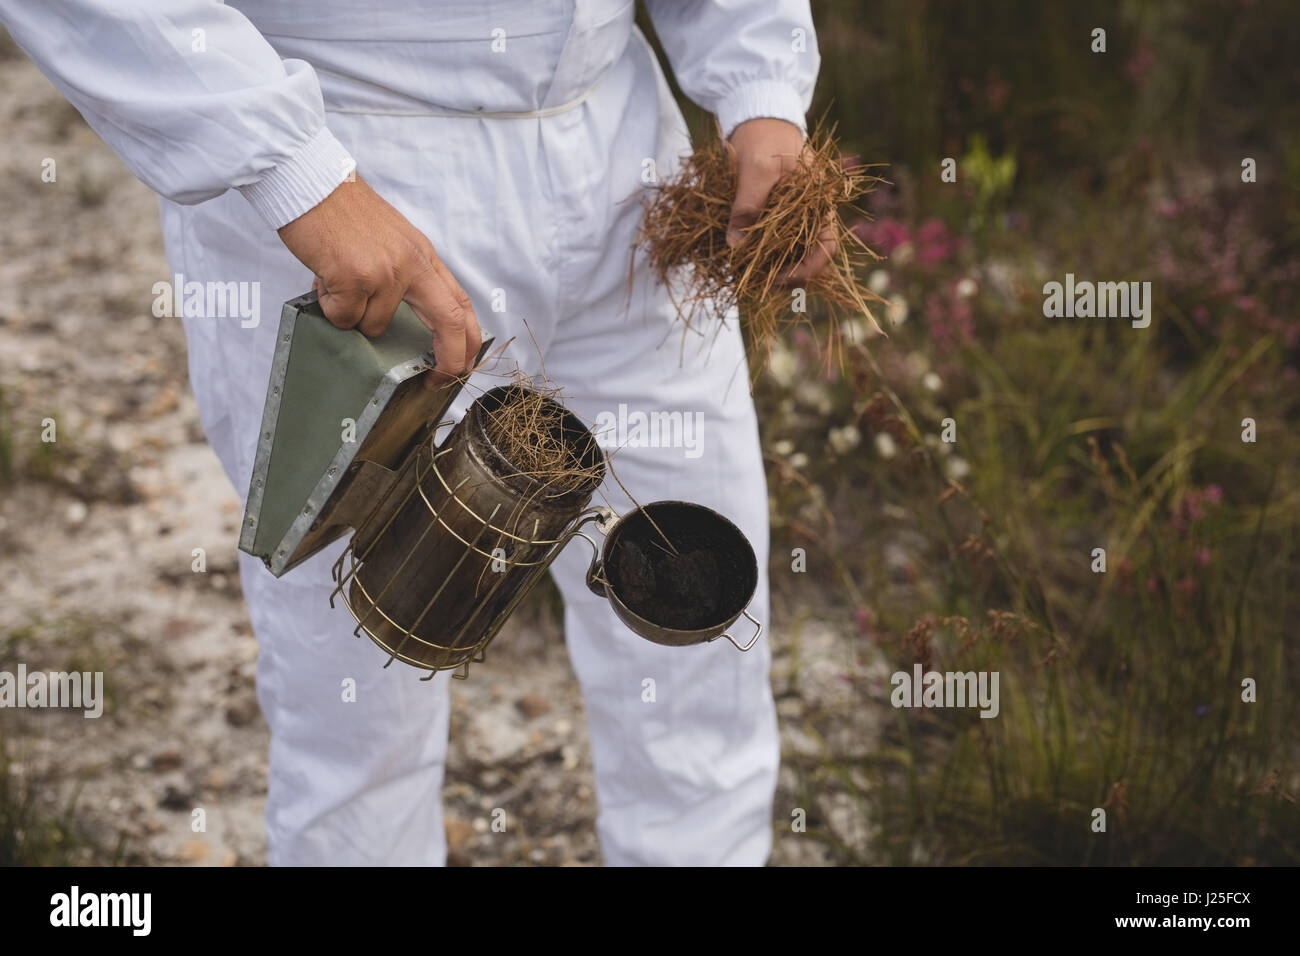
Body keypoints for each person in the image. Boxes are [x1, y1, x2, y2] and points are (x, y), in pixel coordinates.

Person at [0, 1, 826, 865]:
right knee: (360, 703)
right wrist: (297, 172)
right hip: (351, 176)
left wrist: (760, 88)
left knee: (698, 630)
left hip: (629, 170)